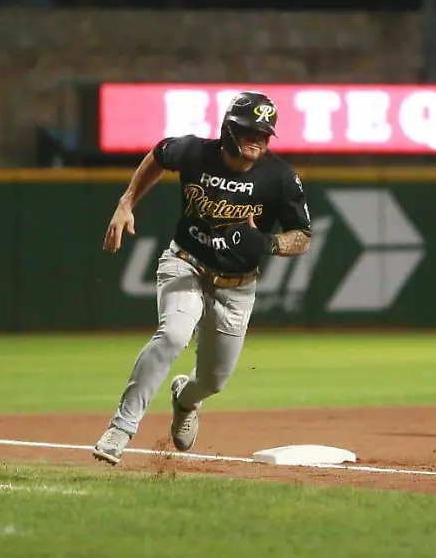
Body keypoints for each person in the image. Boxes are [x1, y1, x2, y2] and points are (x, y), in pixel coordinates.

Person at [93, 91, 313, 465]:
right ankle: (121, 428)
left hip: (238, 286)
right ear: (228, 128)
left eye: (265, 133)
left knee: (213, 381)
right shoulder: (196, 152)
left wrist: (267, 242)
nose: (258, 139)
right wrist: (126, 202)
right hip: (186, 262)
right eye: (249, 130)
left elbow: (302, 237)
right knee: (174, 334)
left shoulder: (280, 178)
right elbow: (159, 154)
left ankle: (185, 399)